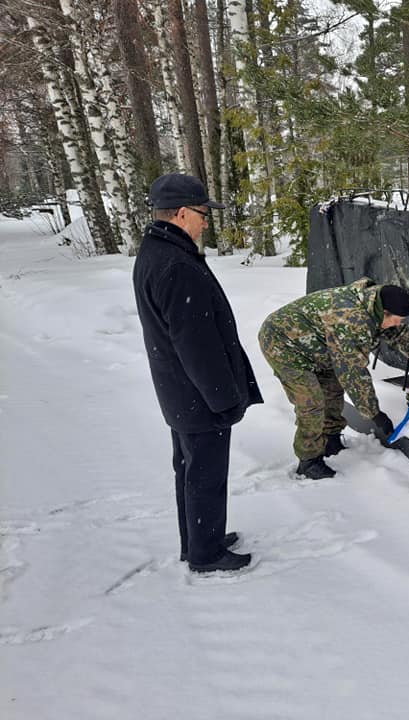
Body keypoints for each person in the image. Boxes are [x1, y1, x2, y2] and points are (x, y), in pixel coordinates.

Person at [133, 173, 263, 573]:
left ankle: (198, 540)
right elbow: (196, 345)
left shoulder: (156, 251)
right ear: (182, 214)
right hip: (197, 395)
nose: (206, 222)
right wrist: (223, 400)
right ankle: (206, 555)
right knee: (205, 474)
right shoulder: (176, 265)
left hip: (180, 391)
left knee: (190, 469)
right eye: (203, 213)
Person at [259, 278, 409, 479]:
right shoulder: (352, 320)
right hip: (282, 343)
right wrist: (375, 414)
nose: (398, 324)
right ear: (385, 312)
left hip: (319, 345)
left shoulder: (377, 304)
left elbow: (395, 332)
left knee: (333, 389)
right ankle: (309, 461)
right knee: (311, 403)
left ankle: (330, 439)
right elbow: (354, 373)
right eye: (397, 319)